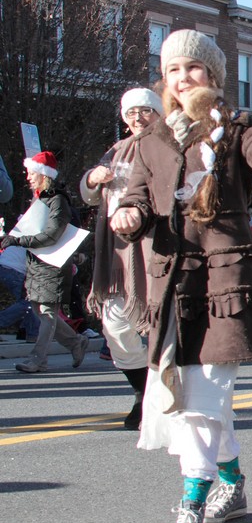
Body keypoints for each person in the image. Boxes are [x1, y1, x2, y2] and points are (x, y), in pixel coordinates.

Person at [109, 30, 252, 523]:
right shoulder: (151, 141)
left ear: (215, 76)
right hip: (175, 285)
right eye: (174, 70)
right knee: (195, 395)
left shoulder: (235, 130)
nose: (184, 78)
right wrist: (128, 212)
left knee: (204, 395)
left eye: (195, 68)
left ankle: (190, 508)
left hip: (228, 283)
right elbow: (138, 198)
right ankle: (233, 481)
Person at [80, 88, 163, 430]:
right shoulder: (115, 151)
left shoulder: (169, 147)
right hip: (117, 252)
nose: (137, 118)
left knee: (165, 331)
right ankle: (145, 394)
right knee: (115, 326)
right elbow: (87, 195)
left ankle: (172, 402)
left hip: (156, 248)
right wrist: (92, 178)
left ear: (157, 113)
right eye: (130, 113)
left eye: (144, 111)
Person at [4, 152, 90, 374]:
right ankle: (75, 343)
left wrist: (18, 240)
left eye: (32, 173)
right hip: (38, 263)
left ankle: (38, 360)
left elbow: (52, 235)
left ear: (44, 175)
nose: (28, 177)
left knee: (47, 313)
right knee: (38, 310)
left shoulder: (57, 200)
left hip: (53, 264)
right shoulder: (42, 198)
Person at [0, 243, 40, 342]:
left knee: (30, 302)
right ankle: (32, 333)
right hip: (15, 269)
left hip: (4, 266)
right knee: (29, 302)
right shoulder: (41, 239)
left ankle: (32, 334)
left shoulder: (27, 235)